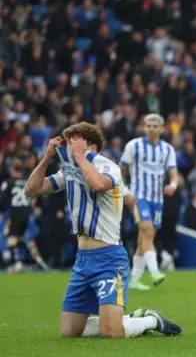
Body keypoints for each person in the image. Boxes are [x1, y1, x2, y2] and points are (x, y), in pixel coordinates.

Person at [23, 122, 182, 338]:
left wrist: (80, 157)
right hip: (83, 260)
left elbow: (98, 184)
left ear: (91, 145)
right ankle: (127, 319)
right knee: (69, 333)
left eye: (75, 142)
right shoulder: (69, 171)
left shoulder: (109, 167)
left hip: (109, 259)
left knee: (112, 333)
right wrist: (47, 157)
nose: (70, 147)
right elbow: (31, 190)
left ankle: (149, 320)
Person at [119, 114, 179, 291]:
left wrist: (173, 185)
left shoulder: (167, 149)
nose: (151, 128)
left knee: (145, 237)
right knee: (146, 230)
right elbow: (120, 168)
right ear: (143, 128)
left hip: (157, 199)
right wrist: (125, 191)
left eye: (155, 126)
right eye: (148, 125)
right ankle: (155, 272)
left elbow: (174, 172)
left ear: (161, 129)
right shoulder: (134, 146)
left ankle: (134, 280)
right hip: (138, 197)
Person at [0, 159, 49, 271]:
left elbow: (2, 199)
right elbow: (37, 194)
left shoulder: (9, 182)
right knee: (28, 239)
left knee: (12, 238)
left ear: (12, 170)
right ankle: (40, 261)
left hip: (15, 213)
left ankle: (17, 263)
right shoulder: (27, 181)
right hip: (27, 214)